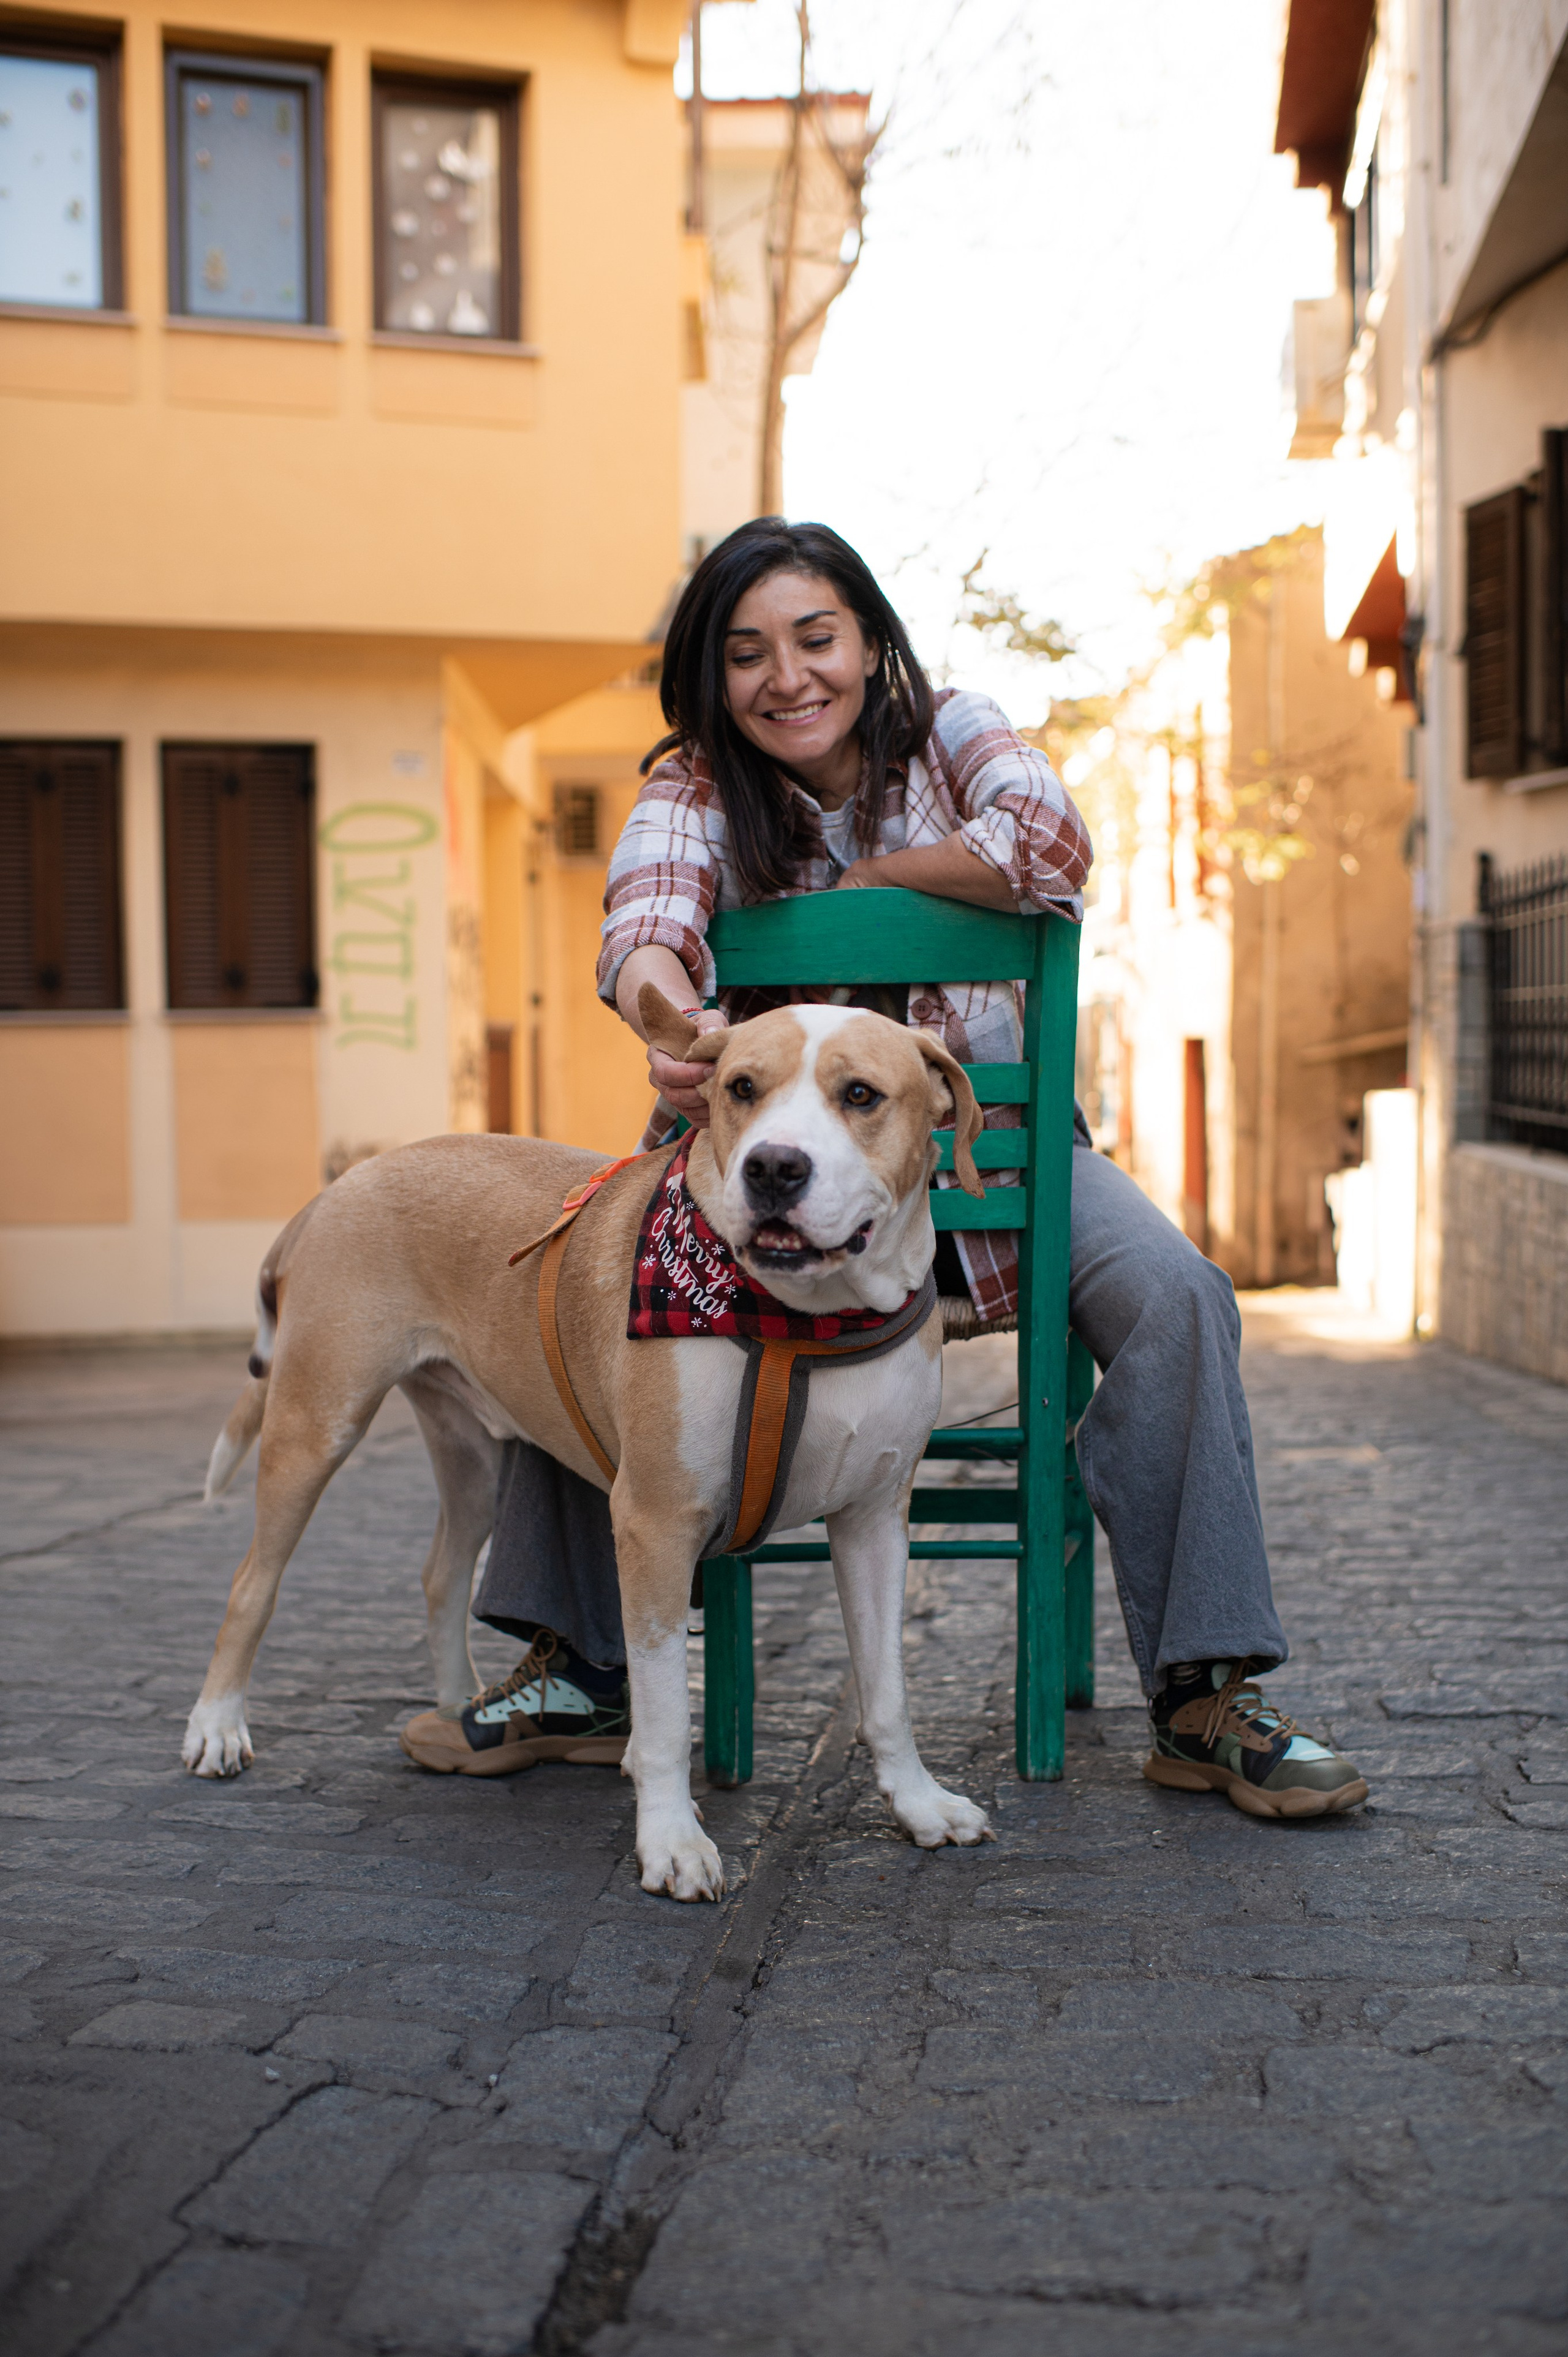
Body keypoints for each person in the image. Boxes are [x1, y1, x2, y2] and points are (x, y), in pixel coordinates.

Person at [429, 518, 1368, 1820]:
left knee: (1177, 1292)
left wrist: (867, 879)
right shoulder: (694, 790)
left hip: (995, 1187)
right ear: (712, 676)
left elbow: (1047, 842)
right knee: (580, 1273)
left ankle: (1205, 1689)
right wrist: (666, 1019)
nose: (787, 676)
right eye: (746, 652)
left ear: (868, 643)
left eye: (816, 638)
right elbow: (642, 928)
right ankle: (579, 1669)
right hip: (746, 1197)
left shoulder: (953, 733)